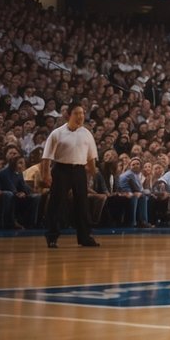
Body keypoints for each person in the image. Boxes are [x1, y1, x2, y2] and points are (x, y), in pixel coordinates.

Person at [42, 104, 100, 248]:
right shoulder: (57, 133)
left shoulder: (87, 133)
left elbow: (91, 158)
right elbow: (46, 157)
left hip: (79, 170)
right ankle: (52, 236)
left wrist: (93, 174)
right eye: (76, 113)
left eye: (82, 113)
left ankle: (85, 237)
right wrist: (46, 174)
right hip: (61, 169)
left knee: (82, 204)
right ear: (69, 115)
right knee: (57, 203)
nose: (80, 116)